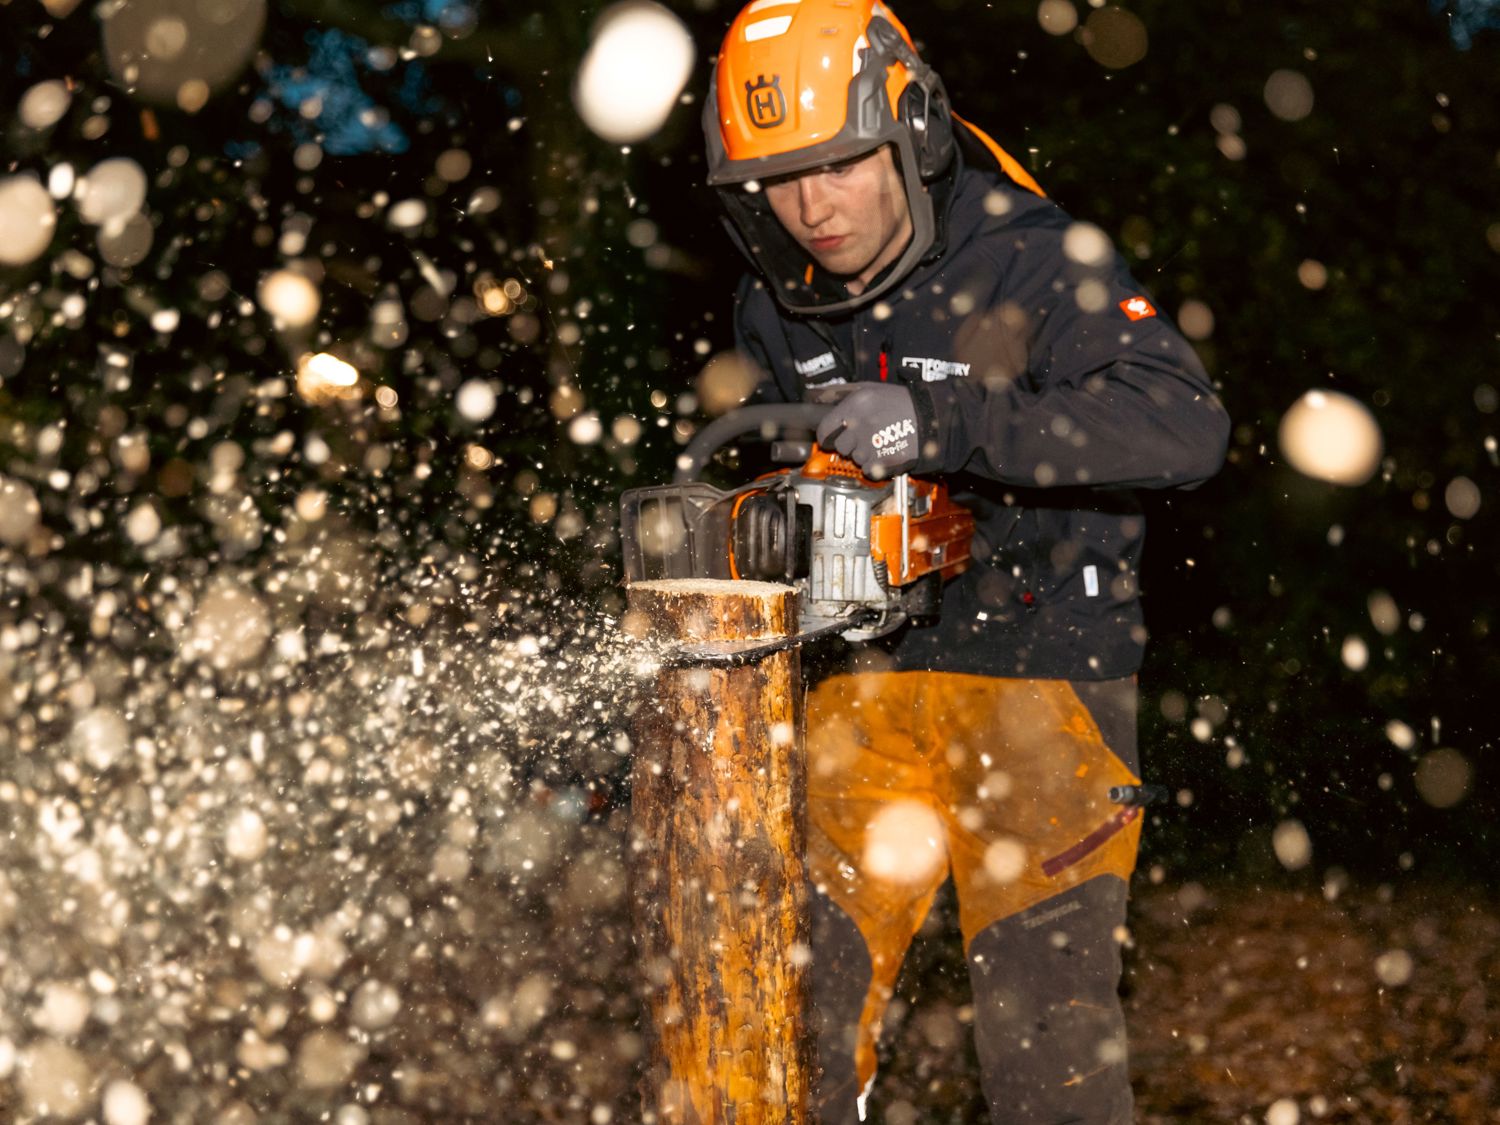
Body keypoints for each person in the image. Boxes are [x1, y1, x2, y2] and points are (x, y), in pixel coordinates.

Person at [702, 1, 1230, 1122]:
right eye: (781, 180)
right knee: (796, 1021)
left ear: (910, 131)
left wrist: (946, 425)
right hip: (861, 685)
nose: (813, 208)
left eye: (840, 164)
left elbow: (1185, 425)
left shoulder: (1031, 261)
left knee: (1048, 1055)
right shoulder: (773, 303)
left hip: (1044, 685)